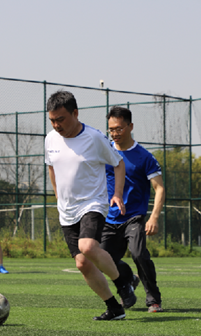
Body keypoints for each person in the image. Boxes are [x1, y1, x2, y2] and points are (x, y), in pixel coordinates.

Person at [44, 90, 136, 321]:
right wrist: (58, 196)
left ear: (75, 113)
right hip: (67, 211)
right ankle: (114, 308)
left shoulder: (94, 138)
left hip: (92, 203)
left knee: (87, 246)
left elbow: (118, 163)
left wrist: (117, 194)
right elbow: (52, 168)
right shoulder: (50, 139)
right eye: (52, 120)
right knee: (82, 263)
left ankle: (122, 284)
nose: (56, 125)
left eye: (61, 119)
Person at [100, 106, 165, 313]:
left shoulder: (144, 157)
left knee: (138, 254)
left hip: (134, 217)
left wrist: (154, 217)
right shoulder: (105, 152)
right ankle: (129, 278)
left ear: (130, 127)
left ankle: (153, 299)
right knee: (101, 259)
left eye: (119, 128)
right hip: (109, 217)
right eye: (111, 129)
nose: (115, 133)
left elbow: (159, 188)